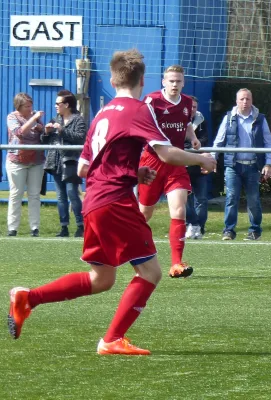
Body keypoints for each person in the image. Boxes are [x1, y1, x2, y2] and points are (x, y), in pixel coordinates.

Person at [7, 49, 216, 355]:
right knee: (150, 273)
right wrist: (201, 159)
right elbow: (168, 153)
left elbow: (83, 167)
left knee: (101, 279)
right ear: (142, 80)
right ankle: (112, 340)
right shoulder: (137, 109)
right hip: (116, 202)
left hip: (95, 201)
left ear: (111, 78)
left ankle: (28, 298)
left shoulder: (102, 114)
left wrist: (133, 170)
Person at [137, 65, 200, 278]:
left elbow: (186, 123)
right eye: (171, 81)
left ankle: (176, 263)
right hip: (152, 162)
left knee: (179, 210)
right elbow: (139, 127)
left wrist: (192, 137)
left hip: (176, 162)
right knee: (144, 214)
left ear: (183, 83)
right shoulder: (151, 101)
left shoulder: (186, 103)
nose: (175, 84)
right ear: (163, 82)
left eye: (178, 81)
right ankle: (126, 249)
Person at [212, 88, 271, 241]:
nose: (245, 102)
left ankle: (254, 230)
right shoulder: (228, 118)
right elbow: (218, 142)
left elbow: (268, 143)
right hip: (233, 166)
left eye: (247, 99)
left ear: (252, 101)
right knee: (231, 198)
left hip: (253, 166)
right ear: (236, 101)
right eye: (242, 99)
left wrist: (268, 163)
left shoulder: (260, 119)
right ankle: (229, 230)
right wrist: (212, 159)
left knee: (253, 200)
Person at [43, 90, 87, 238]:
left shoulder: (78, 120)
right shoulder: (55, 119)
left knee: (72, 193)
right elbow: (45, 141)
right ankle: (64, 227)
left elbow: (81, 138)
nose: (55, 106)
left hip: (70, 162)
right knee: (60, 196)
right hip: (55, 162)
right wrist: (47, 132)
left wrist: (62, 131)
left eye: (58, 103)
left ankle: (81, 226)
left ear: (67, 105)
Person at [5, 93, 45, 237]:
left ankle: (34, 228)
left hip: (36, 161)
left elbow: (42, 131)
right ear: (19, 106)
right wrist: (33, 119)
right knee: (16, 194)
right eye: (27, 106)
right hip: (17, 161)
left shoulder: (35, 116)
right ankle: (12, 228)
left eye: (31, 105)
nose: (30, 109)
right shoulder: (12, 117)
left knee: (34, 195)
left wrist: (44, 128)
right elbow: (19, 133)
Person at [185, 96, 209, 239]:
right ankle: (192, 224)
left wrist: (197, 147)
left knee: (202, 198)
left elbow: (205, 139)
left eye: (195, 107)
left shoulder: (201, 120)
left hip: (198, 163)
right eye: (190, 106)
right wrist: (189, 147)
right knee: (185, 197)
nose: (192, 109)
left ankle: (199, 228)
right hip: (183, 163)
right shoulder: (178, 119)